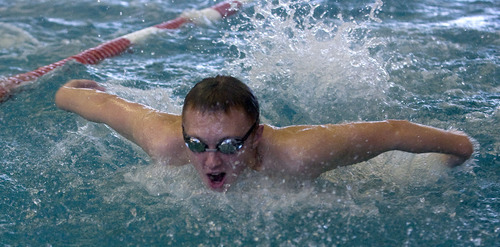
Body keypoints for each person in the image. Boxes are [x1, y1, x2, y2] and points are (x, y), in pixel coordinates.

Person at [55, 75, 474, 192]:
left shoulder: (300, 153)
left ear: (255, 137)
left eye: (231, 145)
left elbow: (393, 132)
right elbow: (92, 103)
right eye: (197, 144)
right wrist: (74, 88)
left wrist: (457, 151)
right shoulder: (165, 140)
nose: (212, 162)